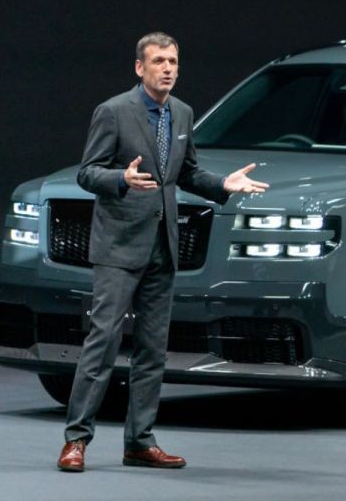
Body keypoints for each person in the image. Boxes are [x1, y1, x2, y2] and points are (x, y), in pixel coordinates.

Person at [57, 32, 268, 472]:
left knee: (152, 350)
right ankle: (76, 439)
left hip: (163, 248)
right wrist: (120, 179)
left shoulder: (183, 113)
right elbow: (87, 173)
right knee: (103, 344)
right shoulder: (114, 112)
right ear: (140, 67)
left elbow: (187, 172)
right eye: (158, 61)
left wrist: (222, 186)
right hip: (118, 247)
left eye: (173, 61)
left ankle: (140, 441)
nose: (168, 68)